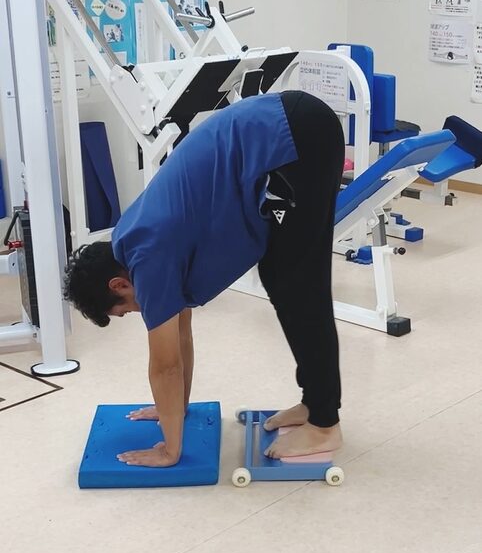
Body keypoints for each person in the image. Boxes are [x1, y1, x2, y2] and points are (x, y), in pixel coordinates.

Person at [64, 91, 345, 468]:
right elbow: (180, 334)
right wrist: (174, 410)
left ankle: (325, 424)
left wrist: (169, 451)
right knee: (282, 276)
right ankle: (315, 403)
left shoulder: (147, 258)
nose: (138, 312)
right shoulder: (131, 239)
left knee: (298, 284)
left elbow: (166, 365)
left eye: (126, 309)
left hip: (297, 135)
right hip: (292, 128)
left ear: (118, 285)